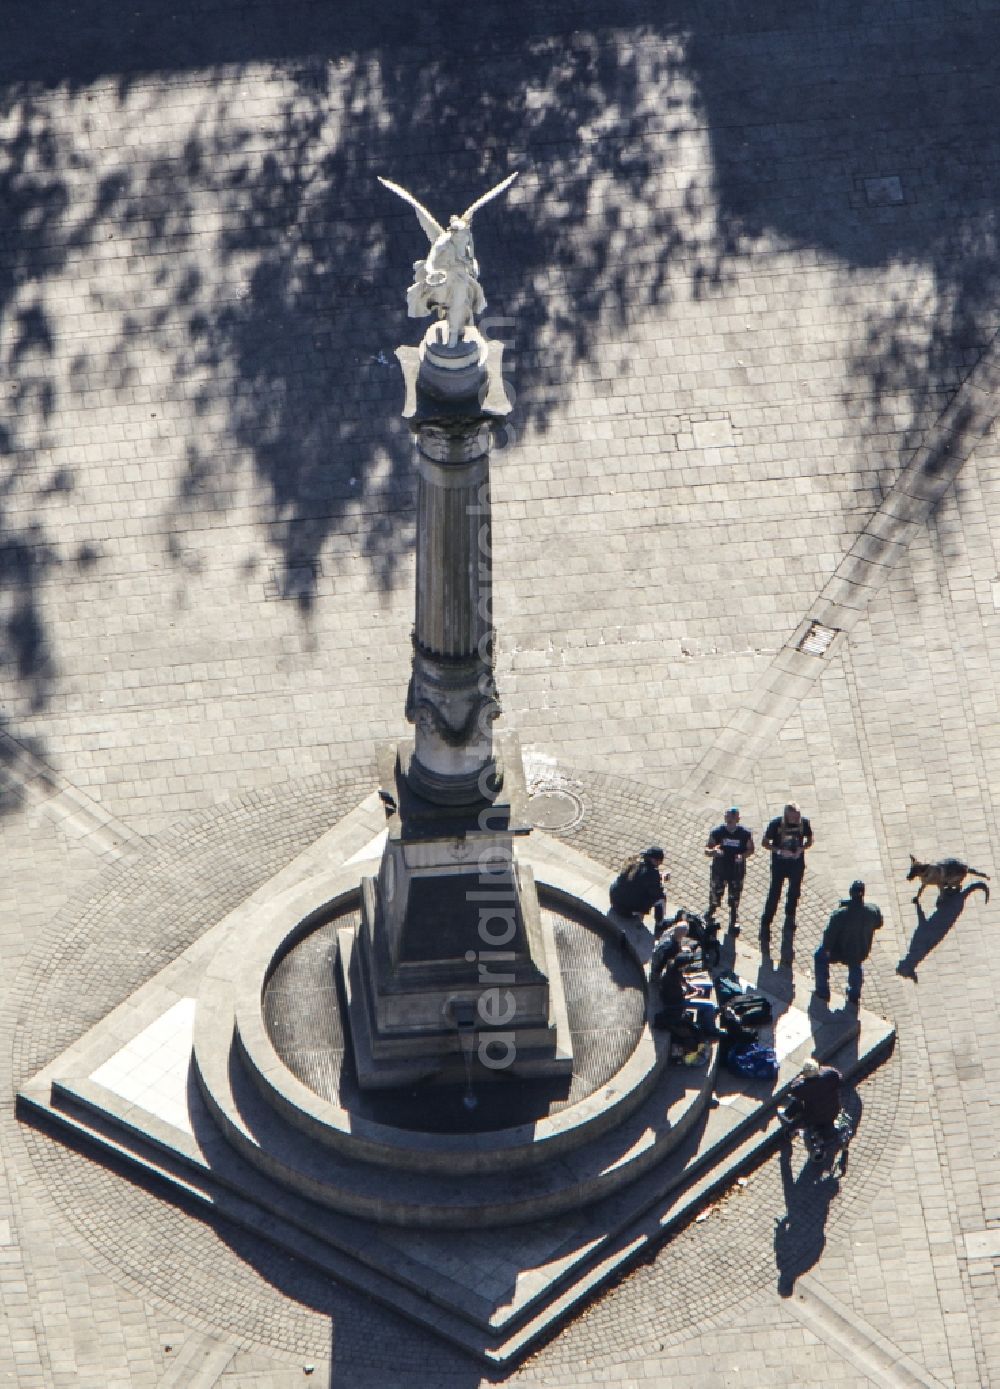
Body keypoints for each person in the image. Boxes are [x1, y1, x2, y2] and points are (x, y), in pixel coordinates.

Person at [814, 880, 883, 1006]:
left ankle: (822, 991)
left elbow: (829, 935)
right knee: (855, 967)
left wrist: (827, 950)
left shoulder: (840, 914)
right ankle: (854, 995)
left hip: (839, 950)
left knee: (819, 957)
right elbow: (879, 923)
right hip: (860, 950)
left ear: (851, 893)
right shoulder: (873, 911)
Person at [760, 803, 813, 951]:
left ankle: (790, 916)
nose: (796, 819)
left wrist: (801, 850)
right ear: (786, 816)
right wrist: (779, 851)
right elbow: (765, 842)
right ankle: (766, 922)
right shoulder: (776, 824)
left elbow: (809, 840)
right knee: (774, 893)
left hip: (796, 864)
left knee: (794, 891)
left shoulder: (804, 823)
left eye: (797, 817)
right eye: (793, 817)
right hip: (779, 864)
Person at [704, 807, 755, 936]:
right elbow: (707, 849)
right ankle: (712, 909)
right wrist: (713, 852)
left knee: (735, 895)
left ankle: (733, 917)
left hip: (736, 871)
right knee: (716, 892)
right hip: (720, 870)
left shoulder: (745, 834)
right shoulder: (717, 832)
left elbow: (750, 849)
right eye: (728, 818)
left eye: (733, 818)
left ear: (738, 819)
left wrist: (742, 856)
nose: (730, 820)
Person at [653, 953, 723, 1038]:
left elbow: (682, 979)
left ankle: (705, 1014)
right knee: (710, 1006)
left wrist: (692, 987)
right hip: (674, 1003)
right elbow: (680, 999)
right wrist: (695, 994)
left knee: (708, 985)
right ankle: (710, 1030)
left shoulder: (672, 966)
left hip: (679, 995)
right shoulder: (672, 981)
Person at [778, 1057, 842, 1138]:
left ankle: (788, 1116)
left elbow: (794, 1088)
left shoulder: (803, 1087)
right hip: (834, 1110)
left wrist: (801, 1078)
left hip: (814, 1118)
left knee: (798, 1101)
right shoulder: (831, 1075)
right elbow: (839, 1077)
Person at [610, 847, 668, 929]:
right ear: (655, 860)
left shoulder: (634, 862)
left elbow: (640, 879)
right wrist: (661, 881)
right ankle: (660, 924)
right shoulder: (652, 874)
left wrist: (658, 877)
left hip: (615, 900)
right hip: (626, 911)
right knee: (661, 898)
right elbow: (657, 893)